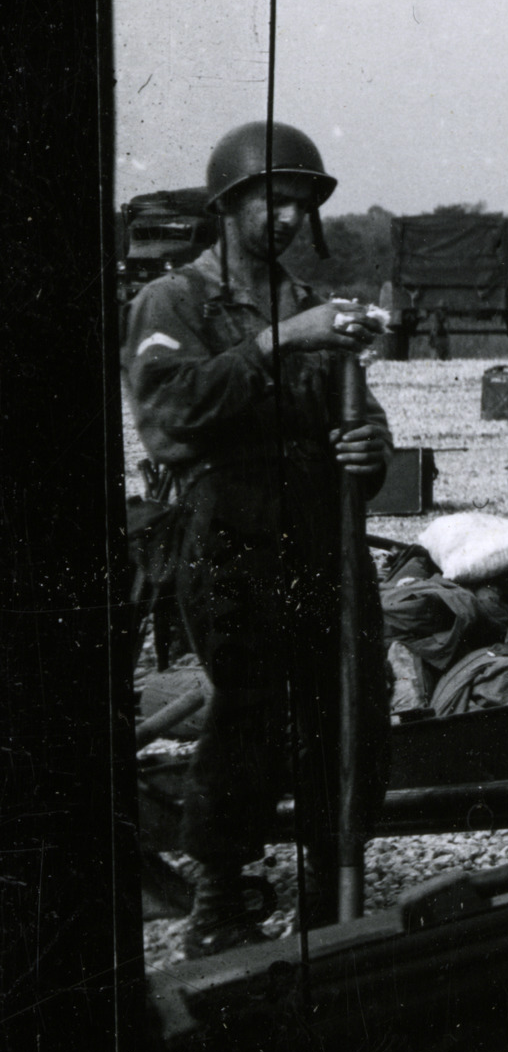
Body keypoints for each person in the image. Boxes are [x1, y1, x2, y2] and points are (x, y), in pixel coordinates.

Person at [121, 119, 394, 953]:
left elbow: (362, 423)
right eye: (270, 198)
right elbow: (169, 419)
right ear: (230, 204)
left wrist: (368, 447)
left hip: (322, 528)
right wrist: (281, 343)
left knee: (348, 703)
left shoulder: (315, 308)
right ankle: (223, 895)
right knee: (245, 712)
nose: (284, 216)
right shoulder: (175, 301)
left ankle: (331, 877)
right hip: (229, 527)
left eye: (298, 202)